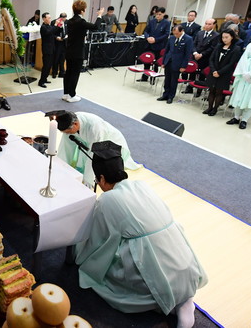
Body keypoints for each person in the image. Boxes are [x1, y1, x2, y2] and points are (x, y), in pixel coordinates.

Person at [75, 140, 207, 328]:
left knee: (107, 272)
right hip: (184, 264)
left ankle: (164, 303)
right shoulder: (141, 185)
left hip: (153, 271)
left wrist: (80, 255)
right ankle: (183, 299)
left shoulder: (108, 199)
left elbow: (100, 242)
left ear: (102, 178)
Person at [48, 111, 140, 186]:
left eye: (68, 131)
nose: (67, 133)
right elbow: (66, 147)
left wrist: (88, 180)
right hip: (90, 142)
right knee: (68, 143)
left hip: (110, 142)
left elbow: (94, 154)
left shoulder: (95, 128)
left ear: (75, 124)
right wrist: (59, 166)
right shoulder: (69, 121)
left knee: (104, 168)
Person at [63, 0, 104, 103]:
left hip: (69, 51)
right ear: (82, 11)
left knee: (68, 72)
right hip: (77, 52)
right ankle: (72, 95)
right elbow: (95, 27)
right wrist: (99, 15)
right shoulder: (81, 22)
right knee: (75, 73)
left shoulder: (70, 21)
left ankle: (66, 93)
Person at [203, 29, 242, 116]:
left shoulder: (236, 48)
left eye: (226, 37)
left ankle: (215, 109)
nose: (224, 39)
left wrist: (219, 72)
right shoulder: (218, 46)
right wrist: (213, 70)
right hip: (213, 72)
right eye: (223, 37)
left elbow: (231, 64)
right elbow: (211, 59)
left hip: (224, 74)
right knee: (211, 90)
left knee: (219, 92)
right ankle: (209, 107)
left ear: (232, 37)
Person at [157, 25, 193, 104]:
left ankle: (171, 96)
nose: (175, 35)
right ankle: (165, 94)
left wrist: (184, 66)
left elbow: (187, 54)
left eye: (177, 33)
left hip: (178, 63)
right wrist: (163, 62)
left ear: (181, 31)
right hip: (168, 61)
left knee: (173, 81)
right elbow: (167, 50)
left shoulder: (188, 39)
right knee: (167, 80)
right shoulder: (172, 37)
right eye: (174, 33)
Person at [183, 18, 219, 94]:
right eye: (206, 23)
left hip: (205, 58)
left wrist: (201, 54)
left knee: (202, 74)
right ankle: (190, 88)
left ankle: (199, 90)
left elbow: (212, 48)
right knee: (192, 72)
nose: (207, 25)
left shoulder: (216, 35)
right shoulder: (200, 33)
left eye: (209, 24)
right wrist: (195, 53)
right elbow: (194, 44)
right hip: (195, 56)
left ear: (214, 25)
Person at [140, 7, 171, 81]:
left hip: (158, 45)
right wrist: (147, 37)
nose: (158, 16)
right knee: (146, 61)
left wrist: (155, 40)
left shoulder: (166, 23)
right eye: (157, 14)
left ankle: (153, 77)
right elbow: (146, 31)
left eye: (159, 14)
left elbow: (166, 34)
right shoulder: (152, 21)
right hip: (149, 44)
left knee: (155, 63)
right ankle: (145, 76)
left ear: (163, 14)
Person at [38, 12, 59, 88]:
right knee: (46, 66)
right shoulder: (43, 27)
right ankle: (41, 81)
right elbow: (48, 32)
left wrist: (56, 37)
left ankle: (45, 79)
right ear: (44, 19)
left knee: (49, 65)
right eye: (48, 18)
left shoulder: (49, 26)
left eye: (50, 18)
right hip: (47, 49)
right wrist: (56, 25)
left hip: (52, 48)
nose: (50, 19)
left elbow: (52, 33)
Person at [51, 13, 68, 78]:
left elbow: (68, 31)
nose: (64, 19)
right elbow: (52, 33)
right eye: (62, 18)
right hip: (57, 43)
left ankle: (62, 72)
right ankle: (54, 72)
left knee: (62, 58)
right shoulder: (54, 22)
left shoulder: (67, 22)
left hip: (64, 42)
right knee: (56, 58)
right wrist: (56, 37)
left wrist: (67, 36)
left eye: (65, 18)